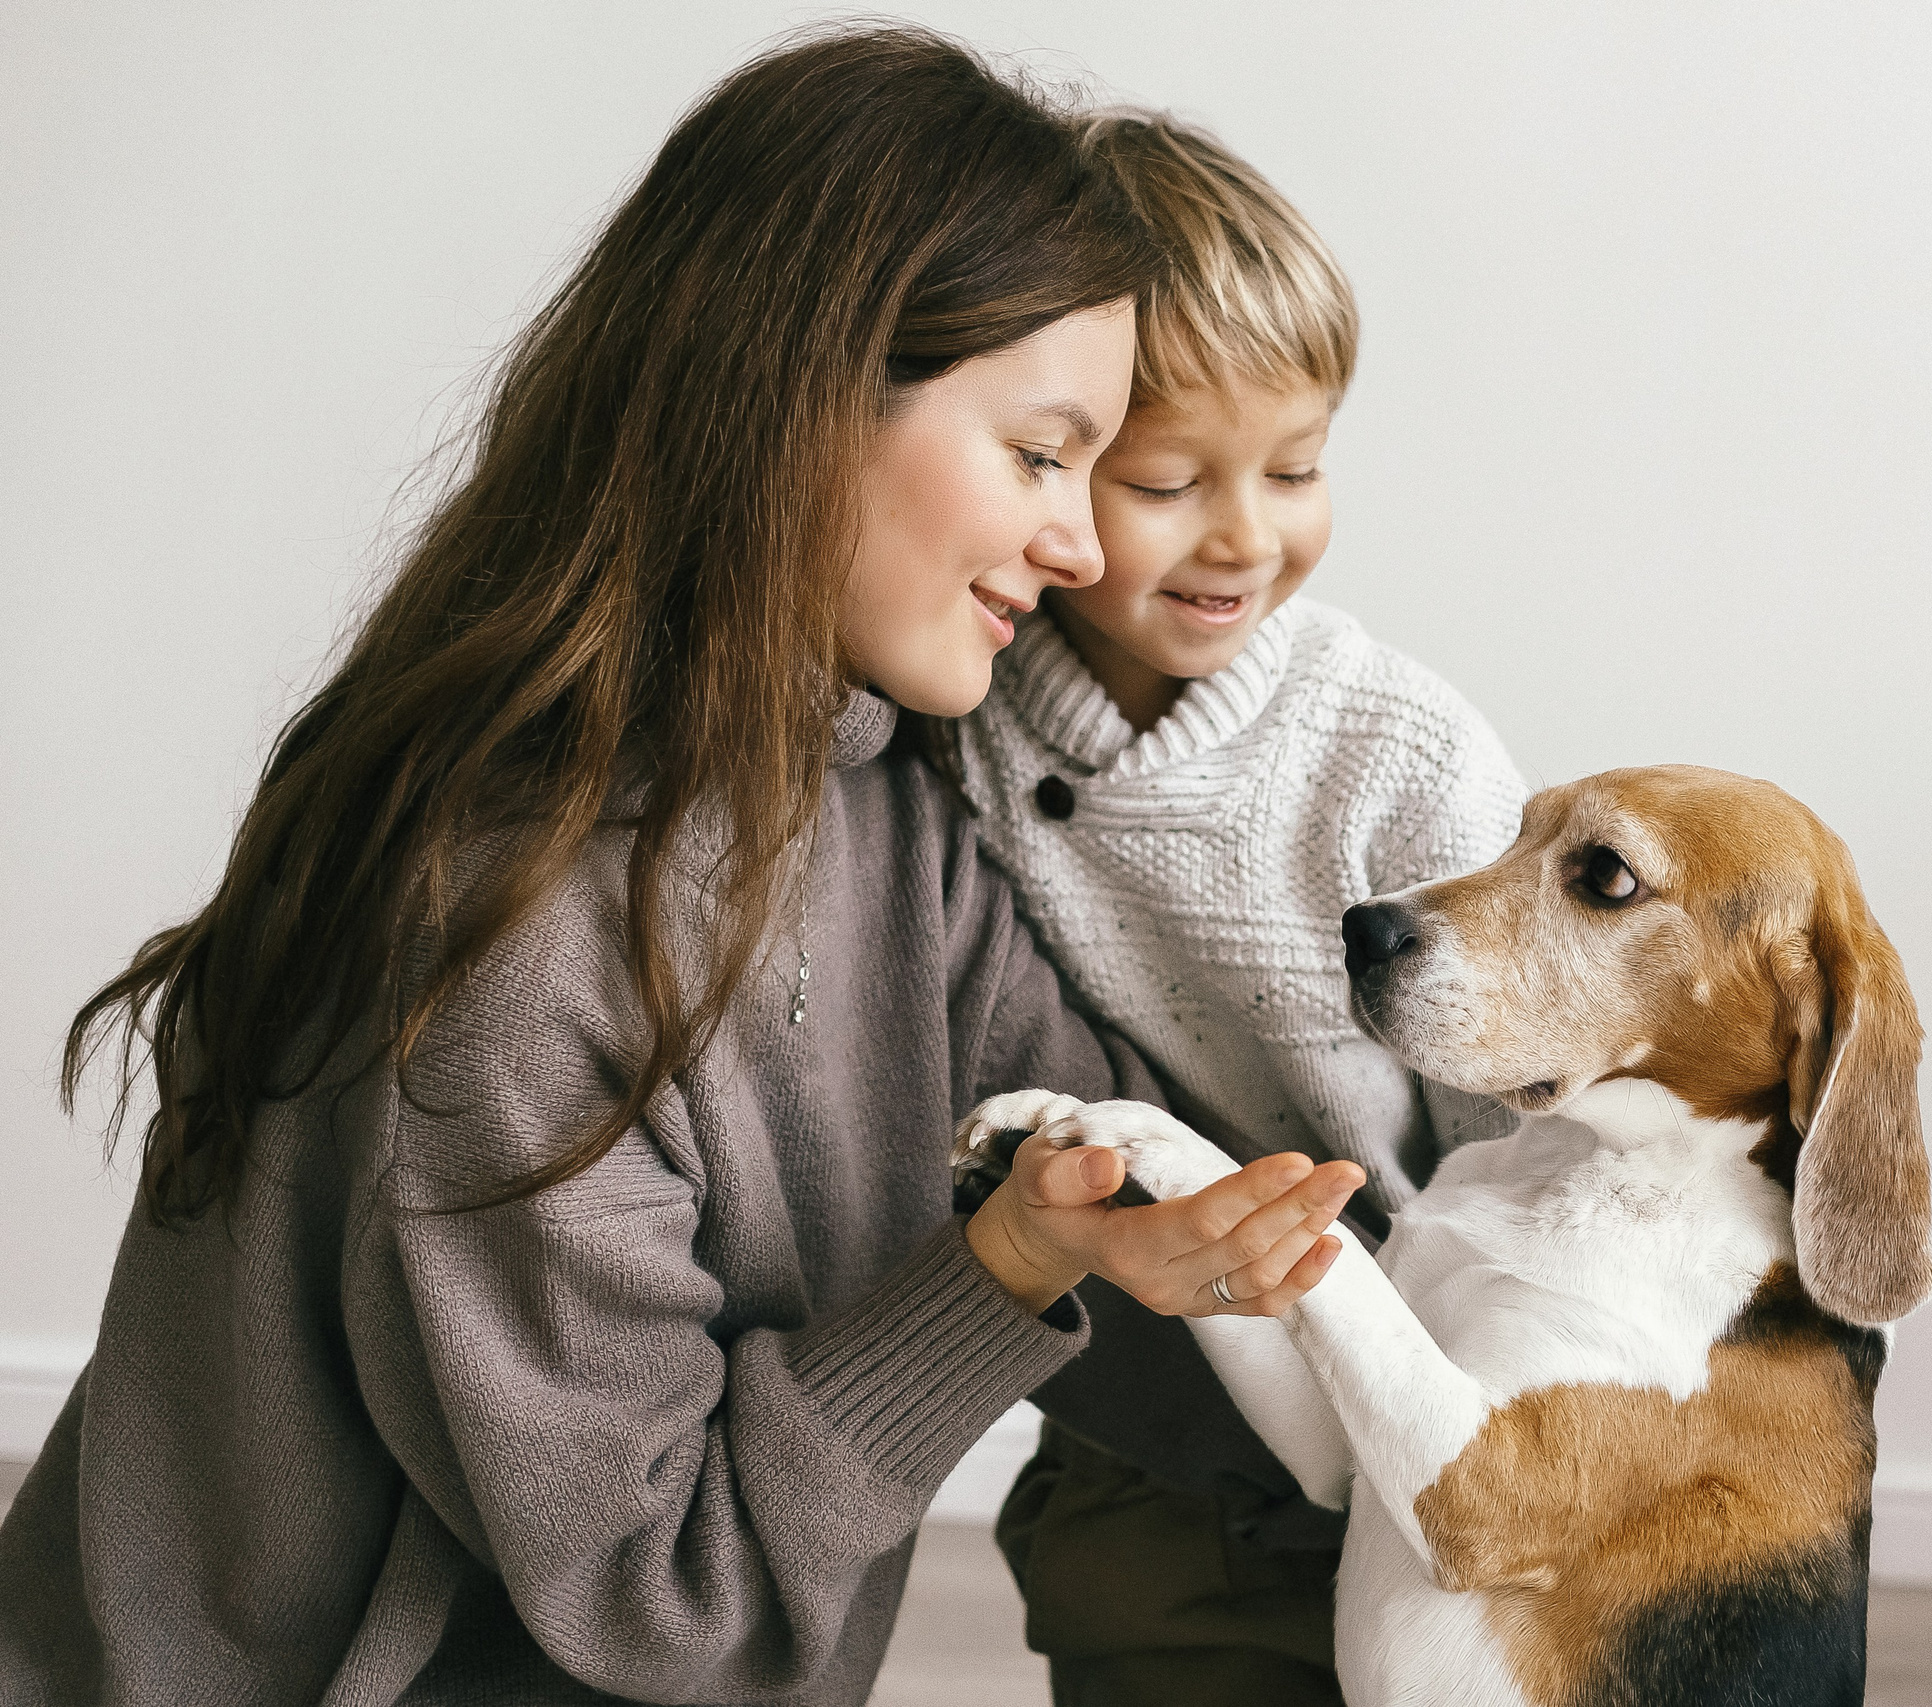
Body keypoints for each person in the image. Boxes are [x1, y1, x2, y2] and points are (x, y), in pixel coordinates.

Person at [0, 28, 1367, 1706]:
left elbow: (1138, 1205)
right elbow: (669, 1596)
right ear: (807, 395)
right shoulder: (497, 936)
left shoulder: (885, 809)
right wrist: (1007, 1266)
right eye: (1038, 453)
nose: (1083, 544)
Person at [938, 113, 1529, 1707]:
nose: (1244, 536)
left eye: (1296, 469)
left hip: (1419, 1393)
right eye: (1168, 481)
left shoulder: (1399, 759)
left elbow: (1520, 1137)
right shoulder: (956, 711)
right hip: (1149, 1443)